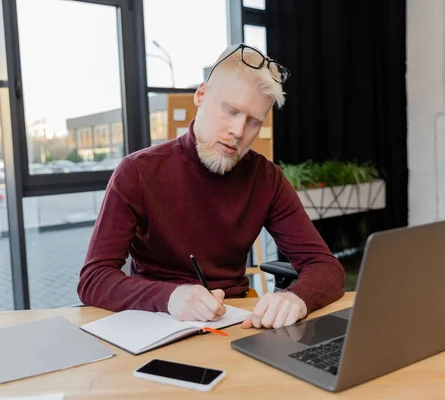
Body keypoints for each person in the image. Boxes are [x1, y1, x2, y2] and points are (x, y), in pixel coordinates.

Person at [77, 43, 345, 330]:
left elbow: (326, 266)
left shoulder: (267, 179)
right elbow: (94, 277)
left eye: (254, 122)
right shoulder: (137, 173)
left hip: (235, 322)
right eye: (230, 111)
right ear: (201, 95)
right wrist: (169, 296)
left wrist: (297, 298)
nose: (238, 132)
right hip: (155, 322)